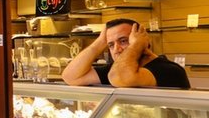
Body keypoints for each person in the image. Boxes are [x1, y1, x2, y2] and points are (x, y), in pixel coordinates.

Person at [61, 18, 190, 89]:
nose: (116, 49)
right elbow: (71, 77)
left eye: (123, 41)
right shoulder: (117, 69)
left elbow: (121, 78)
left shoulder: (168, 70)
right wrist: (99, 43)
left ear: (141, 39)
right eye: (111, 44)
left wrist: (137, 45)